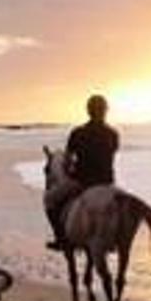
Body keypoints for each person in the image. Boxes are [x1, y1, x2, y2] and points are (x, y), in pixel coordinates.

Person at [46, 94, 119, 251]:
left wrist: (70, 169)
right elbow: (110, 156)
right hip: (107, 183)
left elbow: (67, 160)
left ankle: (61, 239)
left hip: (83, 181)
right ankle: (115, 241)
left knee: (50, 199)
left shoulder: (78, 133)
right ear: (106, 111)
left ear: (88, 111)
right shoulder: (113, 134)